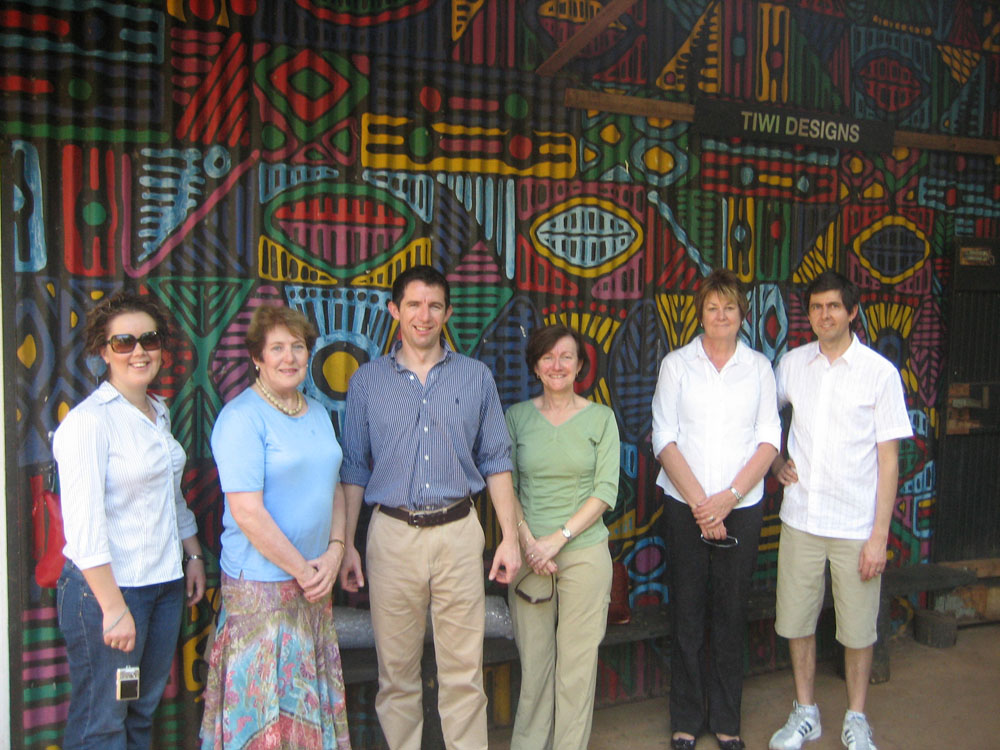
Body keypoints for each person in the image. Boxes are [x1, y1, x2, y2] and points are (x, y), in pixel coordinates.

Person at [338, 264, 522, 750]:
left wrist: (509, 535)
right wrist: (347, 546)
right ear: (395, 310)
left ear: (448, 312)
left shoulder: (475, 377)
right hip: (391, 536)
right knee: (396, 674)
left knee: (463, 673)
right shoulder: (368, 382)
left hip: (458, 533)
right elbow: (354, 468)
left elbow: (497, 459)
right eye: (414, 305)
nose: (424, 316)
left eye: (435, 306)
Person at [53, 291, 206, 750]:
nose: (138, 351)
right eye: (123, 342)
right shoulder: (89, 423)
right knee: (102, 718)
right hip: (110, 590)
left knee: (140, 711)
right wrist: (113, 607)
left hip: (162, 584)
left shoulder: (156, 411)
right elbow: (83, 527)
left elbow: (169, 495)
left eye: (149, 339)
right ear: (103, 351)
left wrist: (192, 553)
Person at [768, 270, 912, 750]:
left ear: (852, 311)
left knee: (857, 630)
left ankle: (856, 716)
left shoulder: (879, 373)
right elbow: (763, 420)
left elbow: (889, 461)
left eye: (833, 306)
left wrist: (879, 536)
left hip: (855, 526)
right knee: (797, 621)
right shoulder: (792, 364)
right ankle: (806, 711)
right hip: (802, 518)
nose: (823, 315)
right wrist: (774, 462)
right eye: (815, 307)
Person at [200, 305, 351, 750]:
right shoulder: (241, 418)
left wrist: (336, 550)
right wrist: (303, 571)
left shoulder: (318, 413)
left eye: (298, 347)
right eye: (277, 348)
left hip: (312, 586)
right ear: (257, 358)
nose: (289, 358)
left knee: (304, 703)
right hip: (263, 591)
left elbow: (335, 486)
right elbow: (247, 513)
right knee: (264, 707)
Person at [651, 269, 781, 750]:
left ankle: (727, 720)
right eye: (712, 307)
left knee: (730, 613)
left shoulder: (759, 369)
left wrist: (728, 496)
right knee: (686, 612)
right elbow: (662, 436)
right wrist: (702, 505)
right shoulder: (676, 365)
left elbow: (770, 437)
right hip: (685, 506)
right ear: (700, 313)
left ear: (742, 314)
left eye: (729, 307)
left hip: (741, 506)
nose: (720, 315)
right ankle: (686, 718)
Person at [504, 324, 620, 750]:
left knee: (576, 667)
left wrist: (558, 538)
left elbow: (606, 490)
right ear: (535, 365)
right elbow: (506, 487)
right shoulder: (515, 418)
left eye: (566, 356)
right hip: (528, 553)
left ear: (580, 366)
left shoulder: (601, 418)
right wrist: (529, 541)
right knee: (535, 667)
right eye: (548, 357)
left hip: (585, 551)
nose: (557, 365)